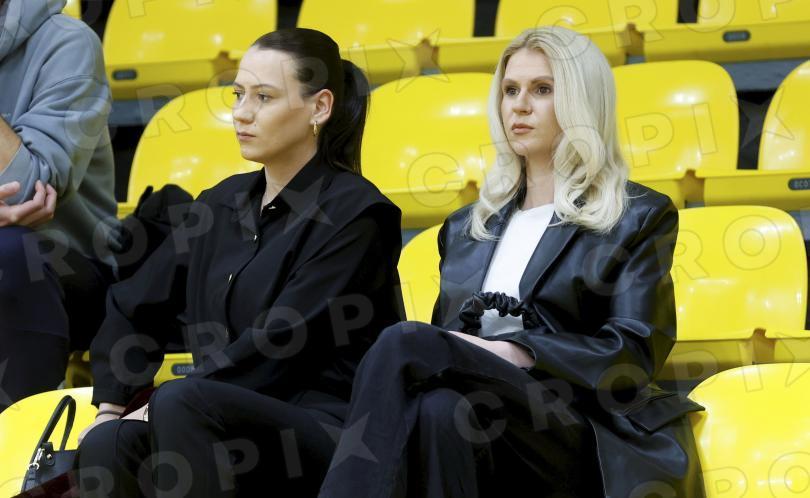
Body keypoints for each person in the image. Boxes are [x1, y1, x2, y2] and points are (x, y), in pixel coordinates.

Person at [318, 26, 705, 498]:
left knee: (403, 342)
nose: (519, 106)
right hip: (481, 420)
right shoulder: (465, 227)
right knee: (439, 410)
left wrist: (513, 351)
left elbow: (632, 354)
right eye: (510, 90)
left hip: (574, 428)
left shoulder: (637, 215)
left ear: (582, 102)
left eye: (542, 90)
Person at [76, 28, 404, 497]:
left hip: (331, 430)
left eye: (263, 97)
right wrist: (111, 405)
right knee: (108, 442)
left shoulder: (359, 215)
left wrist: (169, 401)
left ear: (320, 107)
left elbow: (284, 341)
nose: (242, 113)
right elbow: (134, 303)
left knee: (182, 400)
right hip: (209, 416)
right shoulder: (219, 203)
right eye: (238, 94)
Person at [0, 0, 117, 411]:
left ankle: (21, 440)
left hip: (69, 266)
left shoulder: (68, 44)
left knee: (8, 250)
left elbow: (25, 190)